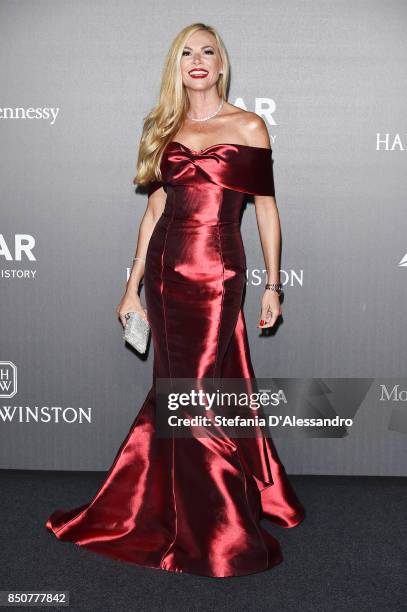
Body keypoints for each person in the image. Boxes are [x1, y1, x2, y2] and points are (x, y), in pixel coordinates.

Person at [45, 22, 305, 578]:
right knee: (176, 391)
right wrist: (130, 286)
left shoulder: (249, 125)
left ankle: (217, 527)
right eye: (186, 51)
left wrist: (274, 284)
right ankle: (179, 512)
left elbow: (266, 210)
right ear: (176, 66)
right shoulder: (162, 126)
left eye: (208, 51)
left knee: (201, 394)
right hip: (165, 275)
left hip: (217, 276)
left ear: (221, 63)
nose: (198, 59)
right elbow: (154, 213)